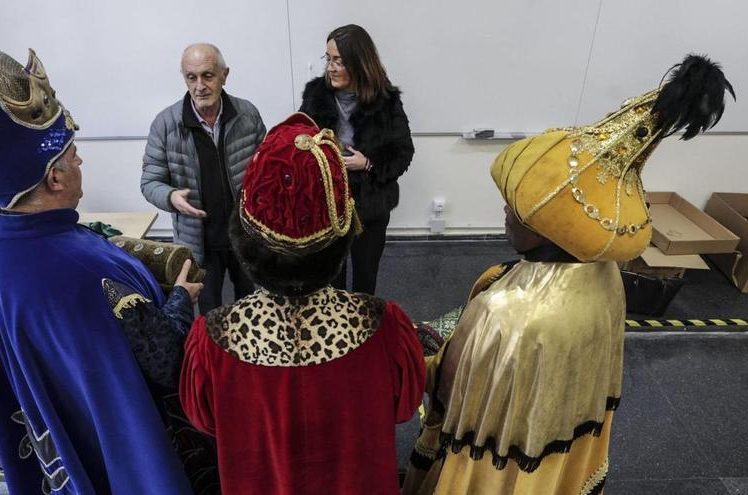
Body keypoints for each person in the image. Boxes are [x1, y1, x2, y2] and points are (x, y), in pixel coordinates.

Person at [0, 12, 204, 494]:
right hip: (120, 446)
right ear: (54, 177)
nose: (80, 163)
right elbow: (164, 359)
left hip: (53, 434)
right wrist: (180, 297)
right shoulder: (89, 269)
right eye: (73, 156)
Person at [403, 54, 734, 495]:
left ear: (549, 229)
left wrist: (408, 346)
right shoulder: (603, 277)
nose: (505, 213)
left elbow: (457, 381)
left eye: (517, 211)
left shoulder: (509, 312)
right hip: (557, 463)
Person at [179, 113, 425, 494]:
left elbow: (205, 419)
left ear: (246, 236)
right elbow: (405, 407)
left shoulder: (213, 339)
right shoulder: (384, 326)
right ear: (343, 234)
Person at [142, 43, 266, 314]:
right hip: (199, 241)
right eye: (191, 77)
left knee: (252, 305)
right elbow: (150, 182)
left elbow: (267, 171)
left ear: (224, 75)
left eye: (208, 75)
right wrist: (171, 197)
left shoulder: (248, 115)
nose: (200, 86)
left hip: (245, 235)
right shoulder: (165, 124)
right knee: (209, 312)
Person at [299, 24, 414, 295]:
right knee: (329, 281)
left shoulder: (385, 100)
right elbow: (298, 141)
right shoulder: (315, 95)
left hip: (370, 207)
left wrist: (368, 163)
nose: (330, 67)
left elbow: (403, 151)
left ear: (359, 62)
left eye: (338, 61)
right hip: (327, 206)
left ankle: (364, 331)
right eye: (328, 59)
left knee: (365, 281)